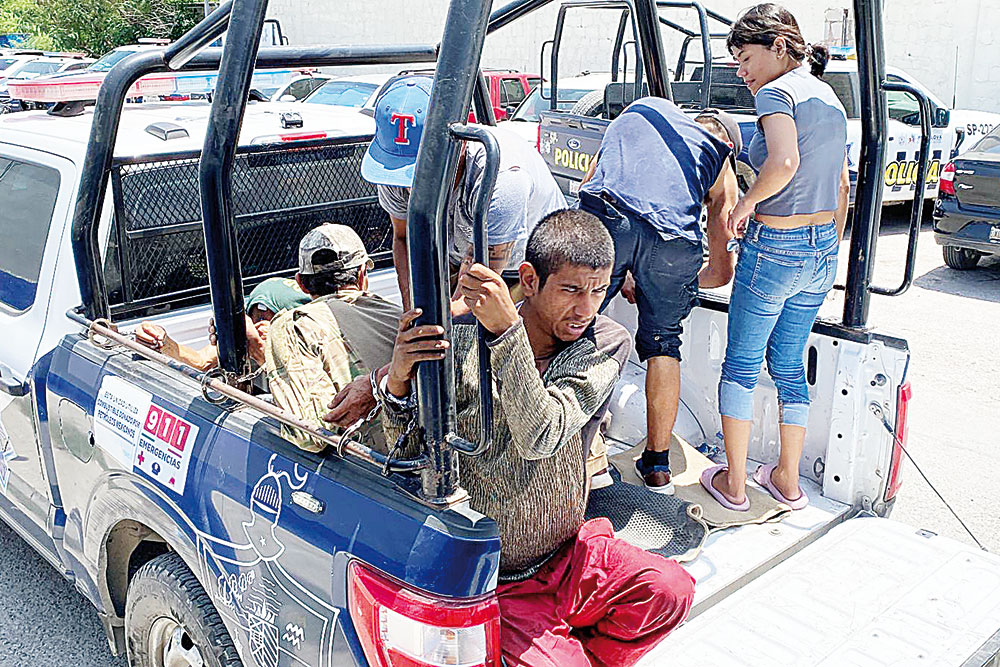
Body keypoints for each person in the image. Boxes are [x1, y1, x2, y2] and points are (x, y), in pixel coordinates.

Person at [377, 209, 695, 666]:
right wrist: (399, 384)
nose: (585, 309)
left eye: (598, 290)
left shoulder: (604, 341)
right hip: (497, 579)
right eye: (570, 290)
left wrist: (508, 333)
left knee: (671, 591)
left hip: (569, 555)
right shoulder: (461, 341)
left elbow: (540, 434)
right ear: (528, 279)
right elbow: (409, 455)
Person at [702, 3, 850, 512]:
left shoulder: (775, 93)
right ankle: (788, 481)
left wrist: (745, 203)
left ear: (779, 47)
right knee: (788, 362)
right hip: (821, 250)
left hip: (776, 247)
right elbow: (840, 184)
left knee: (741, 365)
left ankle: (736, 484)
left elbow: (784, 161)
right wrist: (824, 246)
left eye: (745, 58)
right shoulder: (828, 96)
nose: (741, 72)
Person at [578, 98, 741, 493]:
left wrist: (630, 268)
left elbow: (589, 185)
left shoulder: (645, 111)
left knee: (576, 325)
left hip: (609, 218)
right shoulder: (719, 159)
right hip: (675, 246)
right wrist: (666, 282)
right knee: (664, 345)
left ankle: (578, 449)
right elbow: (721, 272)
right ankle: (657, 467)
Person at [360, 74, 566, 309]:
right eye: (406, 173)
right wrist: (412, 311)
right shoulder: (392, 169)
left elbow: (480, 281)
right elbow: (404, 237)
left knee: (501, 336)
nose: (410, 186)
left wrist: (439, 325)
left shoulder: (503, 177)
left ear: (458, 144)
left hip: (525, 268)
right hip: (461, 252)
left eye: (421, 172)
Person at [266, 223, 402, 452]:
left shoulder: (293, 326)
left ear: (301, 283)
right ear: (362, 275)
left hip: (367, 475)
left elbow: (309, 436)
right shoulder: (397, 315)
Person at [133, 277, 310, 371]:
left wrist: (262, 354)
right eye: (255, 319)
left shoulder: (315, 355)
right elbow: (201, 361)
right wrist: (162, 342)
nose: (258, 327)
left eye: (267, 321)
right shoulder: (250, 336)